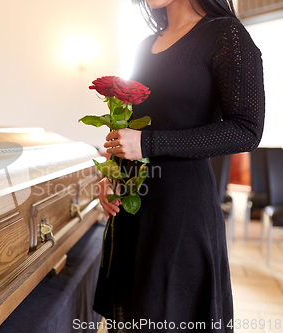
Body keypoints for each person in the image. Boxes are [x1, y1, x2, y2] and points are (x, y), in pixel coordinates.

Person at [91, 0, 265, 330]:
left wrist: (149, 143)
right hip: (132, 212)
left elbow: (247, 129)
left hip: (180, 214)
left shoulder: (225, 34)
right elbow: (132, 124)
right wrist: (113, 174)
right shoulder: (146, 46)